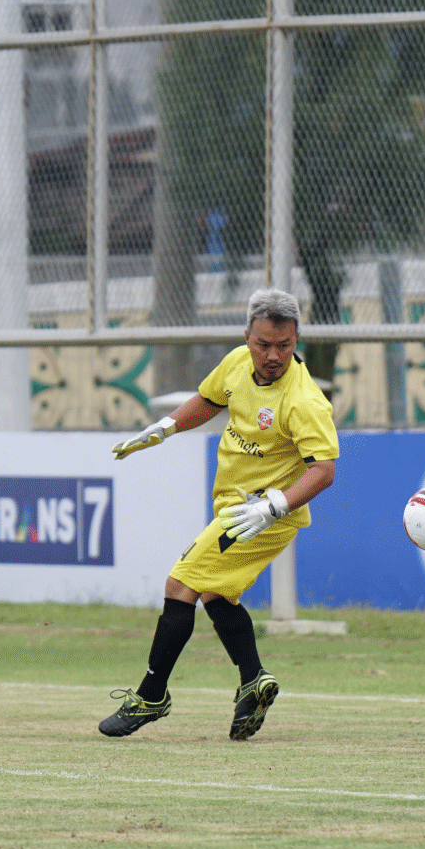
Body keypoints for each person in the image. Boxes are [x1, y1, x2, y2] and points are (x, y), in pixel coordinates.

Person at [101, 288, 339, 740]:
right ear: (247, 336)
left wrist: (274, 507)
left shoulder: (304, 400)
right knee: (215, 595)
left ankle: (151, 695)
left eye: (284, 346)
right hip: (236, 503)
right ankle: (253, 679)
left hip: (262, 512)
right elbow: (210, 401)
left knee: (181, 582)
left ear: (296, 339)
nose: (273, 356)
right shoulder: (236, 363)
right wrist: (167, 427)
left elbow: (324, 471)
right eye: (264, 344)